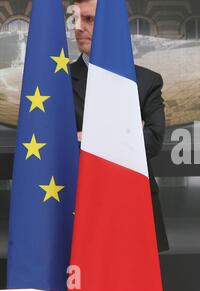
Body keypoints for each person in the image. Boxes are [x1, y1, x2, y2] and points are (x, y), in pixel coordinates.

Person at [70, 0, 169, 252]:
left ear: (111, 26)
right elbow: (57, 143)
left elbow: (153, 139)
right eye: (75, 19)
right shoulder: (58, 80)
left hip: (132, 202)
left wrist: (86, 137)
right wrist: (127, 133)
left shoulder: (147, 81)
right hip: (77, 203)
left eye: (89, 20)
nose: (79, 28)